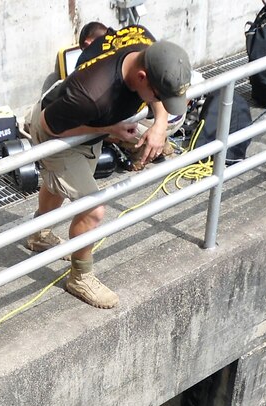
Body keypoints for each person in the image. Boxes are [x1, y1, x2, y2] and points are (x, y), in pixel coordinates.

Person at [25, 28, 191, 309]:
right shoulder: (92, 94)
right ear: (142, 78)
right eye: (158, 95)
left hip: (87, 119)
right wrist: (108, 129)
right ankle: (80, 276)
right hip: (59, 128)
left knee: (61, 182)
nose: (159, 101)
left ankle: (38, 234)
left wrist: (161, 123)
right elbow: (49, 125)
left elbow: (157, 95)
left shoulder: (145, 44)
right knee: (93, 208)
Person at [75, 23, 186, 170]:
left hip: (148, 126)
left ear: (88, 44)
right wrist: (160, 126)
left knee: (106, 126)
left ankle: (139, 151)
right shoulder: (136, 34)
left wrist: (159, 127)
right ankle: (161, 143)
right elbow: (158, 82)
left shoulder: (93, 63)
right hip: (177, 116)